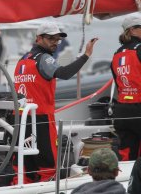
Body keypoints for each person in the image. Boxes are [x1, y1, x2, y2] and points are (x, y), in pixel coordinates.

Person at [12, 22, 98, 184]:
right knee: (48, 167)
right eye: (51, 38)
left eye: (57, 39)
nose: (55, 42)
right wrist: (86, 55)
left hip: (21, 120)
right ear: (39, 38)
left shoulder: (22, 60)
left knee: (23, 169)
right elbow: (64, 73)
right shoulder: (44, 59)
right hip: (42, 120)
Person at [111, 15, 141, 161]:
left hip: (122, 110)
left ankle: (128, 181)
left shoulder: (117, 54)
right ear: (132, 30)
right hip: (139, 108)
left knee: (127, 153)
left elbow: (118, 83)